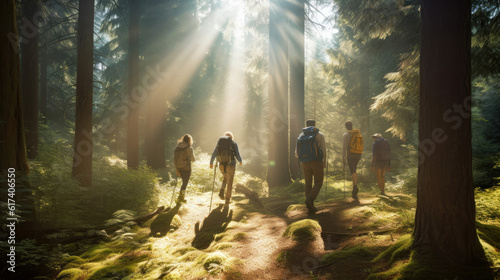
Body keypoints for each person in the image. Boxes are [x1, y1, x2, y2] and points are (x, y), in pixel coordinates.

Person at [295, 119, 327, 214]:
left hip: (305, 162)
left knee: (308, 182)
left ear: (306, 125)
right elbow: (323, 149)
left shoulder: (301, 136)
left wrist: (304, 158)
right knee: (318, 182)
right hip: (316, 162)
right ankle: (310, 200)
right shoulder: (319, 134)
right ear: (315, 125)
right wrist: (324, 161)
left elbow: (296, 153)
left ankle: (310, 206)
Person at [210, 131, 243, 205]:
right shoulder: (233, 143)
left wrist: (211, 162)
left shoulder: (220, 144)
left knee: (225, 178)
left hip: (221, 165)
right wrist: (240, 160)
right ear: (231, 138)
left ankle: (221, 191)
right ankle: (227, 199)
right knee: (230, 182)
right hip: (230, 165)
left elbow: (214, 153)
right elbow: (237, 154)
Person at [342, 121, 363, 201]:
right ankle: (355, 187)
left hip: (351, 155)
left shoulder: (346, 135)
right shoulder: (357, 133)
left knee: (353, 170)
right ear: (352, 126)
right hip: (358, 154)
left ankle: (355, 187)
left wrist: (343, 157)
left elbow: (344, 147)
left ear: (346, 126)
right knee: (354, 169)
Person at [174, 134, 196, 203]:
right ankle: (181, 198)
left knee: (182, 183)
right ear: (189, 140)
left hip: (179, 167)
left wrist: (176, 169)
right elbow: (193, 159)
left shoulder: (177, 147)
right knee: (185, 183)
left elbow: (175, 159)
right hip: (186, 168)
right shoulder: (189, 148)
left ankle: (180, 197)